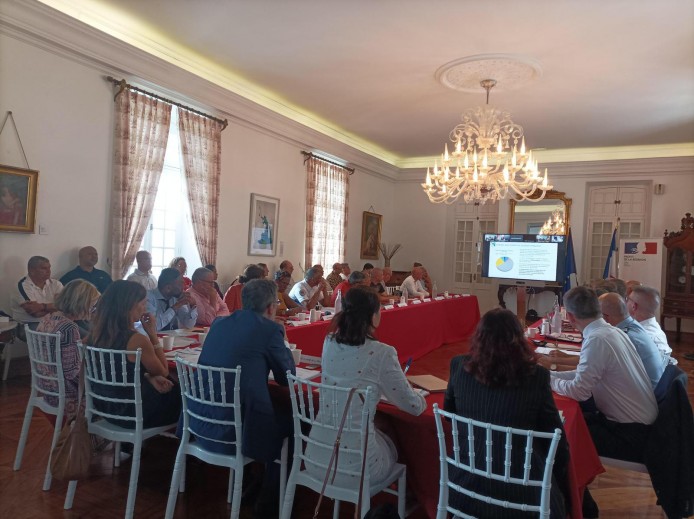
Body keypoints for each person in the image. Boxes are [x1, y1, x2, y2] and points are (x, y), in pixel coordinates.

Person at [444, 308, 570, 518]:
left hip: (466, 485)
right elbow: (554, 438)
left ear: (478, 337)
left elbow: (450, 415)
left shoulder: (459, 365)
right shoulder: (536, 375)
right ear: (518, 340)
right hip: (523, 492)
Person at [193, 279, 295, 517]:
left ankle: (252, 480)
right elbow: (287, 376)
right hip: (239, 430)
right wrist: (284, 343)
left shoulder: (219, 324)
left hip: (202, 420)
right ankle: (269, 501)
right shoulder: (270, 329)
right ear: (271, 307)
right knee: (294, 425)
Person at [307, 286, 426, 488]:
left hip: (314, 455)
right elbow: (413, 407)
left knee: (376, 423)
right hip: (358, 469)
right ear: (372, 317)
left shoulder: (329, 341)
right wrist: (419, 395)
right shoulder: (382, 353)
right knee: (391, 433)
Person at [550, 287, 657, 464]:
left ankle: (568, 489)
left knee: (560, 435)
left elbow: (579, 391)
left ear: (569, 316)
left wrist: (549, 380)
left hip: (631, 434)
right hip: (641, 425)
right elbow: (584, 375)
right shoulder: (612, 332)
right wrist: (551, 375)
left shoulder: (597, 339)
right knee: (571, 422)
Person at [88, 280, 181, 428]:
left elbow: (115, 370)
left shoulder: (93, 336)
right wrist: (152, 334)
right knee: (185, 394)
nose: (145, 308)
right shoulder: (136, 339)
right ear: (130, 306)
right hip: (133, 412)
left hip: (104, 406)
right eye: (143, 303)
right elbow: (163, 371)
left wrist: (147, 376)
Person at [36, 279, 100, 421]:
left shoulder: (47, 319)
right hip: (66, 395)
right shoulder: (69, 327)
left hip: (47, 389)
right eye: (92, 305)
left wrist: (82, 342)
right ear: (82, 303)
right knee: (112, 393)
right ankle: (107, 439)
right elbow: (72, 373)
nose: (93, 309)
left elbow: (58, 352)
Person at [11, 256, 63, 333]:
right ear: (32, 270)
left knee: (83, 336)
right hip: (29, 324)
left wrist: (42, 306)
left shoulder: (56, 284)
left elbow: (65, 305)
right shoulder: (22, 286)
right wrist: (56, 307)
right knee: (60, 339)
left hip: (55, 321)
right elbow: (35, 313)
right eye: (44, 268)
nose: (49, 271)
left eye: (49, 268)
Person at [627, 285, 674, 365]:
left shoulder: (641, 337)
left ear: (633, 306)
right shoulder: (651, 328)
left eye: (627, 299)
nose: (625, 303)